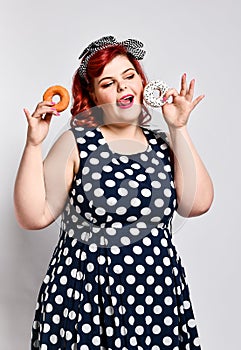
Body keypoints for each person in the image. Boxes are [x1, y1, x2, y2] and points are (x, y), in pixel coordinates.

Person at [14, 35, 214, 349]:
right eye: (108, 83)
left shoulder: (164, 144)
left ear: (142, 83)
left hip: (154, 294)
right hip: (84, 294)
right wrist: (33, 144)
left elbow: (198, 204)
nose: (122, 87)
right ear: (92, 94)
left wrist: (179, 127)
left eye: (129, 75)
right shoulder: (77, 143)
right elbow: (33, 216)